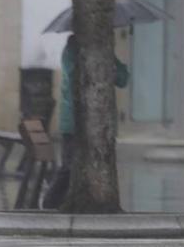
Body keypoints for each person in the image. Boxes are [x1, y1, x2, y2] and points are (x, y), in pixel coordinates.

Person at [43, 34, 130, 209]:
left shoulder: (103, 51)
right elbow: (76, 77)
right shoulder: (71, 50)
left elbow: (123, 78)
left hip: (99, 122)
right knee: (68, 166)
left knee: (96, 166)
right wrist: (103, 71)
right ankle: (49, 203)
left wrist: (111, 69)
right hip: (74, 121)